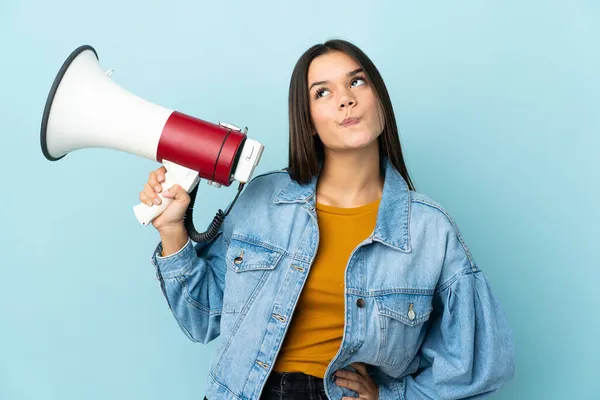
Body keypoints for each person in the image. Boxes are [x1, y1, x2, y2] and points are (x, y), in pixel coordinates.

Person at [141, 39, 515, 400]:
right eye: (322, 92)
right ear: (309, 122)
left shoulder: (430, 230)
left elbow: (481, 363)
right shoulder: (263, 200)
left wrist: (393, 396)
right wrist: (173, 229)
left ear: (379, 99)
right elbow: (203, 319)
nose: (345, 99)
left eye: (356, 82)